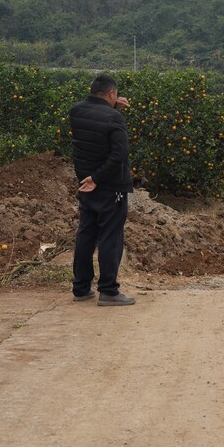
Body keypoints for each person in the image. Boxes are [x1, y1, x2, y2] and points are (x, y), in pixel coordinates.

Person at [70, 74, 137, 306]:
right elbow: (119, 154)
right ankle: (108, 291)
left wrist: (90, 180)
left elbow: (94, 118)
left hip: (85, 185)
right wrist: (98, 178)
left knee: (86, 234)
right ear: (112, 94)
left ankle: (81, 288)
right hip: (109, 187)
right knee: (111, 237)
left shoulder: (76, 111)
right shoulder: (114, 118)